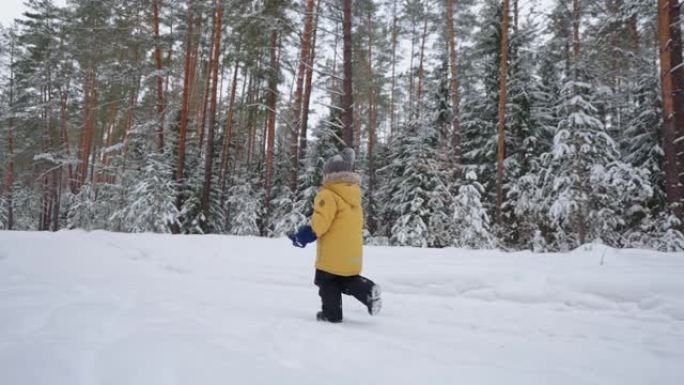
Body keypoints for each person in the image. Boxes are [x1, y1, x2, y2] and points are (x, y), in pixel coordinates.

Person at [288, 148, 381, 323]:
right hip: (352, 254)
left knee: (327, 283)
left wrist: (303, 236)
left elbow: (320, 224)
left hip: (332, 255)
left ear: (329, 175)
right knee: (345, 280)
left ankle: (331, 315)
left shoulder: (328, 194)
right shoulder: (353, 196)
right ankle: (367, 290)